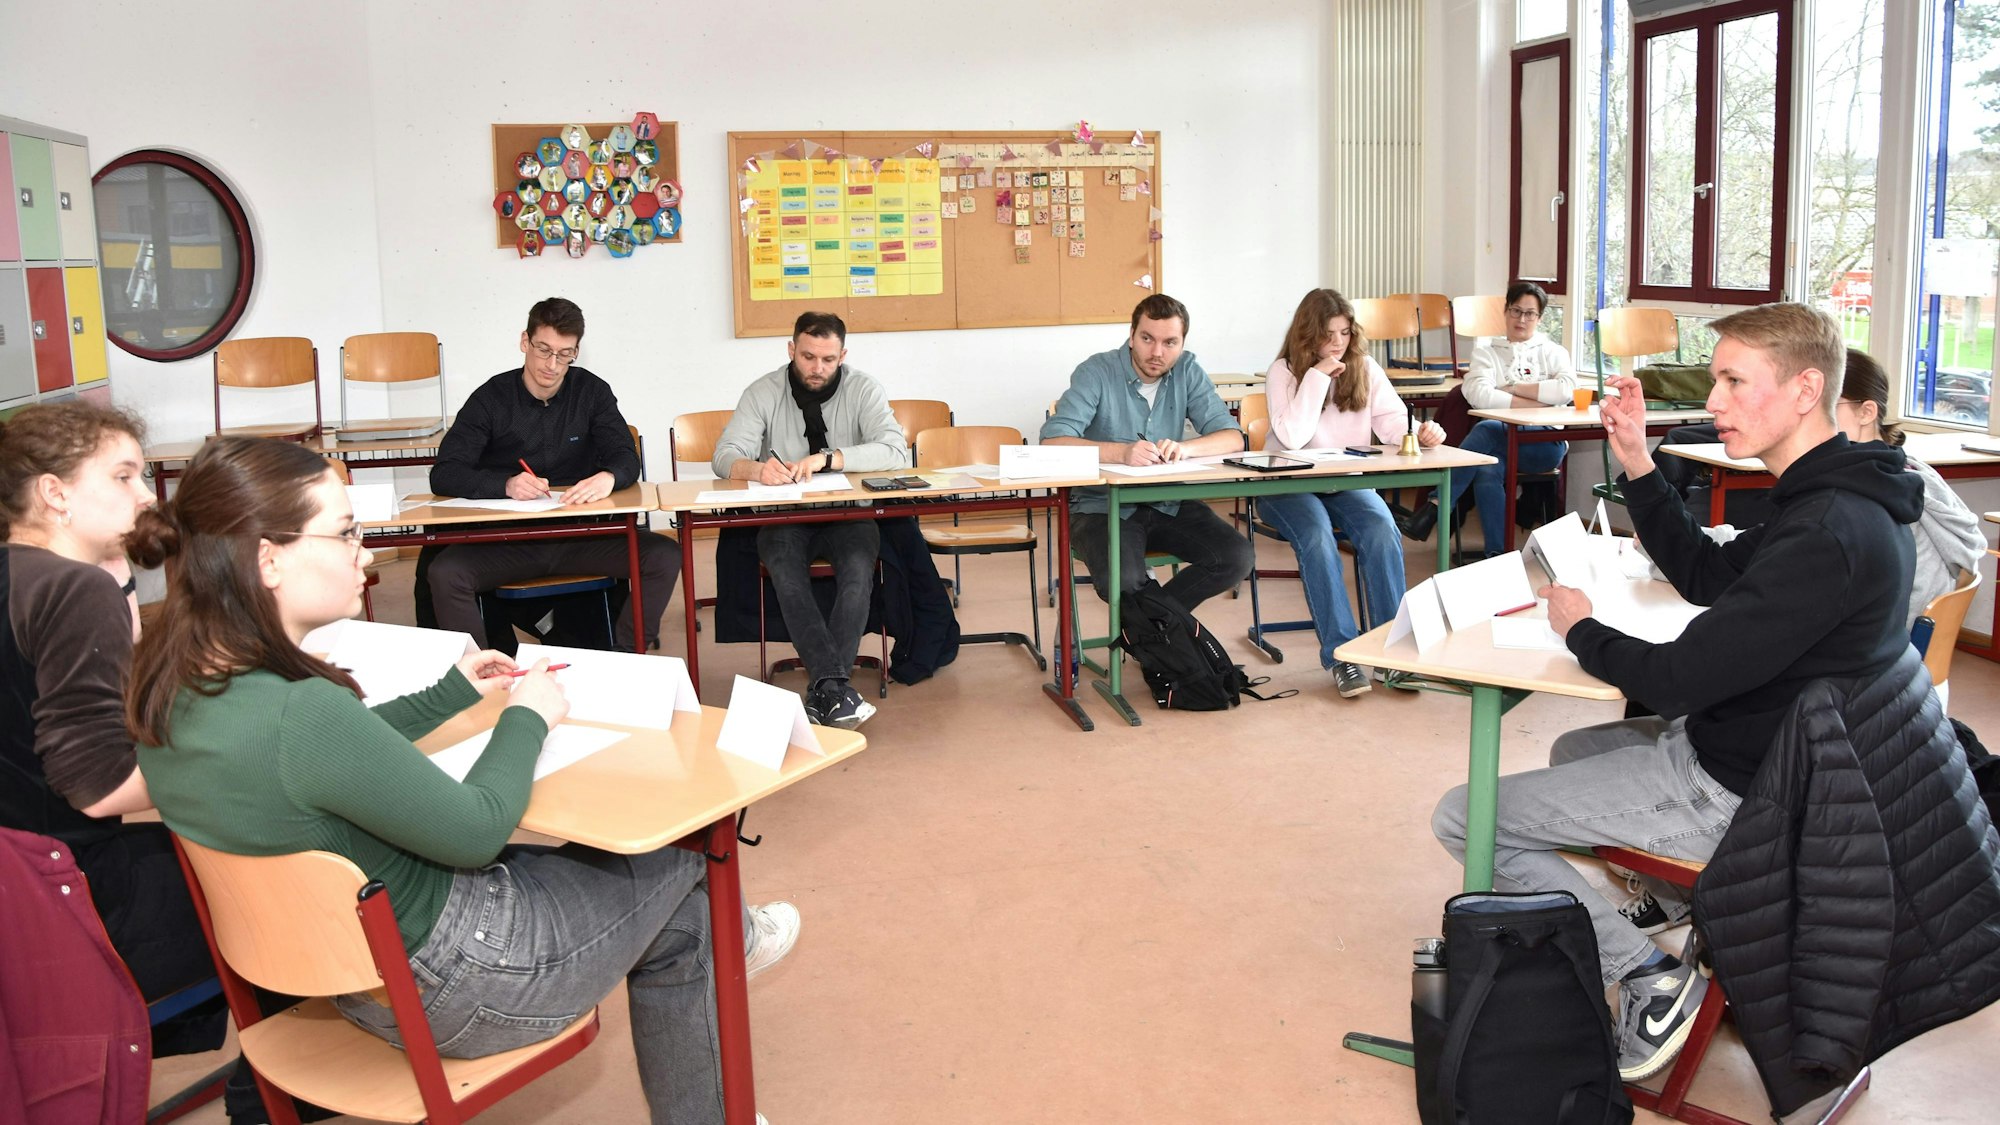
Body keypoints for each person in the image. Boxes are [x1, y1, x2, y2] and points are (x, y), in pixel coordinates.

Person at [128, 437, 799, 1125]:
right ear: (268, 559)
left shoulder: (171, 688)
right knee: (690, 859)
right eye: (346, 532)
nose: (364, 553)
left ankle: (729, 990)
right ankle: (737, 952)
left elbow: (334, 753)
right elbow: (477, 831)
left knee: (675, 909)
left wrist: (447, 693)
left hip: (342, 976)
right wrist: (527, 717)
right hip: (459, 980)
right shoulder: (303, 711)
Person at [1430, 303, 1923, 1083]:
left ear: (1804, 390)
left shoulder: (1825, 532)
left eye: (1733, 380)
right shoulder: (1841, 496)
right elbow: (1704, 573)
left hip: (1745, 790)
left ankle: (1648, 978)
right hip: (1787, 764)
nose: (1713, 399)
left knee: (1466, 813)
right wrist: (1635, 459)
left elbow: (1676, 679)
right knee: (1574, 746)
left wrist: (1580, 629)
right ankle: (1689, 917)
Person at [423, 297, 679, 653]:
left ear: (576, 352)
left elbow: (625, 455)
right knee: (445, 572)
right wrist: (505, 485)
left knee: (664, 555)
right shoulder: (491, 398)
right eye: (543, 350)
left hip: (580, 537)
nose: (552, 364)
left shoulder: (591, 392)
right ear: (524, 342)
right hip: (512, 543)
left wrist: (607, 476)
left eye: (565, 354)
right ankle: (480, 675)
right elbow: (445, 473)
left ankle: (625, 656)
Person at [711, 311, 907, 729]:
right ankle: (835, 688)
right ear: (791, 350)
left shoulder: (863, 389)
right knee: (786, 572)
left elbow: (895, 451)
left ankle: (827, 688)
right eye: (807, 356)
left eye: (828, 359)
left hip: (847, 513)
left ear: (843, 356)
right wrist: (756, 469)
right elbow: (724, 454)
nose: (817, 368)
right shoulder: (762, 391)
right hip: (784, 515)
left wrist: (830, 458)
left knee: (857, 573)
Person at [1260, 288, 1444, 697]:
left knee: (1382, 528)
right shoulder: (1284, 372)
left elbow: (1393, 420)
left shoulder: (1363, 366)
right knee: (1316, 536)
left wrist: (1421, 434)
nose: (1338, 343)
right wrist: (1315, 378)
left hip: (1345, 480)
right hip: (1286, 484)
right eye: (1328, 334)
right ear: (1307, 335)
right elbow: (1291, 437)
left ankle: (1391, 654)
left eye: (1345, 333)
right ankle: (1342, 655)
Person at [1040, 293, 1254, 612]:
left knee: (1236, 558)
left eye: (1170, 342)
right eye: (1147, 339)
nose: (1157, 352)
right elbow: (1051, 444)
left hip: (1166, 501)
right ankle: (1161, 639)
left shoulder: (1188, 370)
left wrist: (1185, 448)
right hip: (1100, 507)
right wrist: (1121, 452)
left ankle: (1152, 633)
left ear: (1182, 344)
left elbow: (1233, 438)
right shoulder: (1096, 371)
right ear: (1131, 335)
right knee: (1125, 582)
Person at [1402, 281, 1576, 553]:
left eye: (1529, 313)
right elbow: (1478, 395)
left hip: (1544, 443)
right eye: (1516, 311)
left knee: (1488, 429)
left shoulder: (1554, 352)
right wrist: (1539, 400)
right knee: (1485, 468)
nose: (1521, 319)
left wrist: (1512, 389)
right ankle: (1498, 555)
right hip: (1503, 445)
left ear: (1539, 318)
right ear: (1505, 312)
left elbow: (1566, 390)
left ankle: (1435, 506)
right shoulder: (1486, 352)